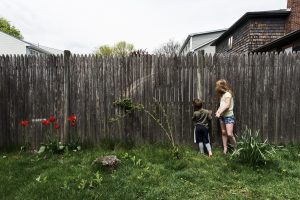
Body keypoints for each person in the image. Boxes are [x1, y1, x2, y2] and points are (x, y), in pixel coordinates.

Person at [215, 79, 237, 154]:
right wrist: (218, 111)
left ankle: (236, 149)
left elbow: (227, 106)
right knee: (223, 132)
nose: (216, 87)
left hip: (229, 116)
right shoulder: (222, 95)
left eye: (217, 86)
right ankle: (225, 149)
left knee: (229, 134)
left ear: (221, 86)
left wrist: (219, 112)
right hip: (222, 116)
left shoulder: (228, 94)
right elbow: (222, 105)